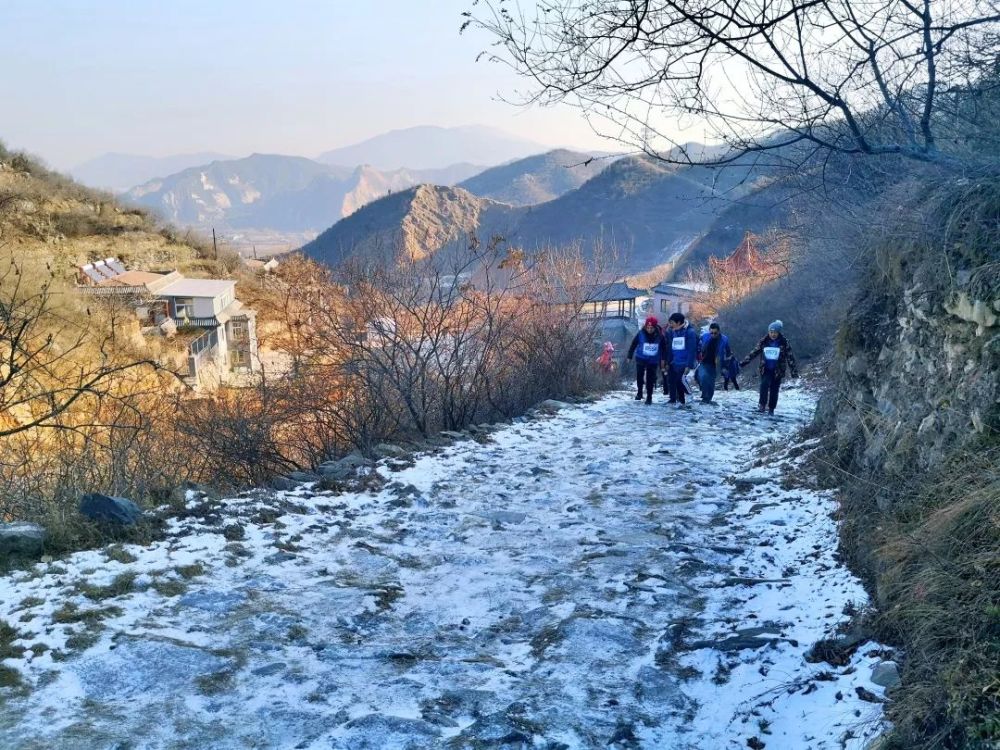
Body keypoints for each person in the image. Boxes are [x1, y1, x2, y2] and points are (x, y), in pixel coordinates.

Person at [739, 319, 799, 414]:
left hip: (778, 370)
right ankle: (762, 405)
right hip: (765, 368)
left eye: (775, 332)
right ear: (768, 332)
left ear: (779, 332)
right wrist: (743, 363)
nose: (773, 334)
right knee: (764, 385)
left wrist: (794, 372)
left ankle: (771, 409)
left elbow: (790, 357)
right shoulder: (764, 341)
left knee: (774, 390)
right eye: (771, 332)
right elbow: (754, 352)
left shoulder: (784, 342)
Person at [626, 317, 666, 404]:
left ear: (655, 327)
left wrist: (663, 360)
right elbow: (634, 344)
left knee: (650, 378)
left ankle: (649, 396)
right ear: (645, 327)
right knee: (639, 376)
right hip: (641, 358)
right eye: (648, 327)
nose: (649, 329)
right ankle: (639, 392)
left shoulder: (660, 336)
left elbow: (664, 348)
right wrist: (629, 356)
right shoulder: (641, 333)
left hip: (653, 360)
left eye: (651, 328)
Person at [665, 312, 698, 407]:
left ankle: (689, 395)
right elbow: (673, 347)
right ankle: (681, 401)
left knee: (681, 380)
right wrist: (669, 361)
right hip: (676, 361)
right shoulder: (674, 332)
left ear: (679, 322)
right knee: (676, 381)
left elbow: (692, 350)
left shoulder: (689, 332)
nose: (670, 325)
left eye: (672, 323)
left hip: (685, 362)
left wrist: (688, 365)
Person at [697, 322, 733, 404]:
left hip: (716, 363)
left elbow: (728, 352)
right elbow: (698, 345)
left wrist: (725, 366)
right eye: (711, 333)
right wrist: (698, 354)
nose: (713, 335)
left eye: (715, 333)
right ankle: (705, 395)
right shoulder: (705, 336)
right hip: (704, 361)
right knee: (703, 377)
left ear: (719, 331)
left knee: (711, 381)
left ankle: (708, 398)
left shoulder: (724, 339)